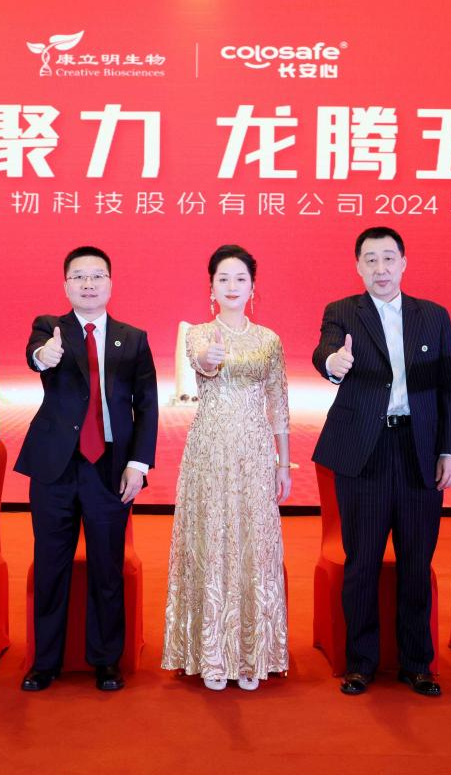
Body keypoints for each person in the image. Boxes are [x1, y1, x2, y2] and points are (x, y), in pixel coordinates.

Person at [312, 225, 451, 697]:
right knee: (362, 562)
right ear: (358, 266)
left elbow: (448, 389)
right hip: (366, 451)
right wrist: (332, 364)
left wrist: (449, 449)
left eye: (389, 258)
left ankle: (417, 663)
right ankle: (361, 663)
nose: (381, 268)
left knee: (417, 562)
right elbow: (325, 350)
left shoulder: (433, 316)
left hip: (419, 450)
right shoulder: (343, 312)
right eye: (371, 259)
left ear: (403, 263)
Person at [15, 245, 159, 692]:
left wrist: (138, 464)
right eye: (79, 276)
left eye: (97, 276)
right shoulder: (50, 327)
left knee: (106, 568)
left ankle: (106, 660)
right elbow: (36, 355)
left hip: (110, 468)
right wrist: (44, 356)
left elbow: (147, 405)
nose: (88, 284)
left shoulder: (133, 338)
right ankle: (45, 662)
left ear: (111, 283)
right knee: (50, 565)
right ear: (66, 286)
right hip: (55, 467)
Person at [162, 245, 292, 692]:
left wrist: (283, 463)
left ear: (253, 286)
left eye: (240, 279)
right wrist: (208, 360)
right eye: (223, 279)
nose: (232, 286)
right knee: (211, 542)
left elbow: (279, 404)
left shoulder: (269, 340)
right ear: (211, 286)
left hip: (255, 452)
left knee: (254, 545)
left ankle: (252, 654)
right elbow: (202, 363)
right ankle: (212, 655)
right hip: (210, 453)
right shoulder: (198, 334)